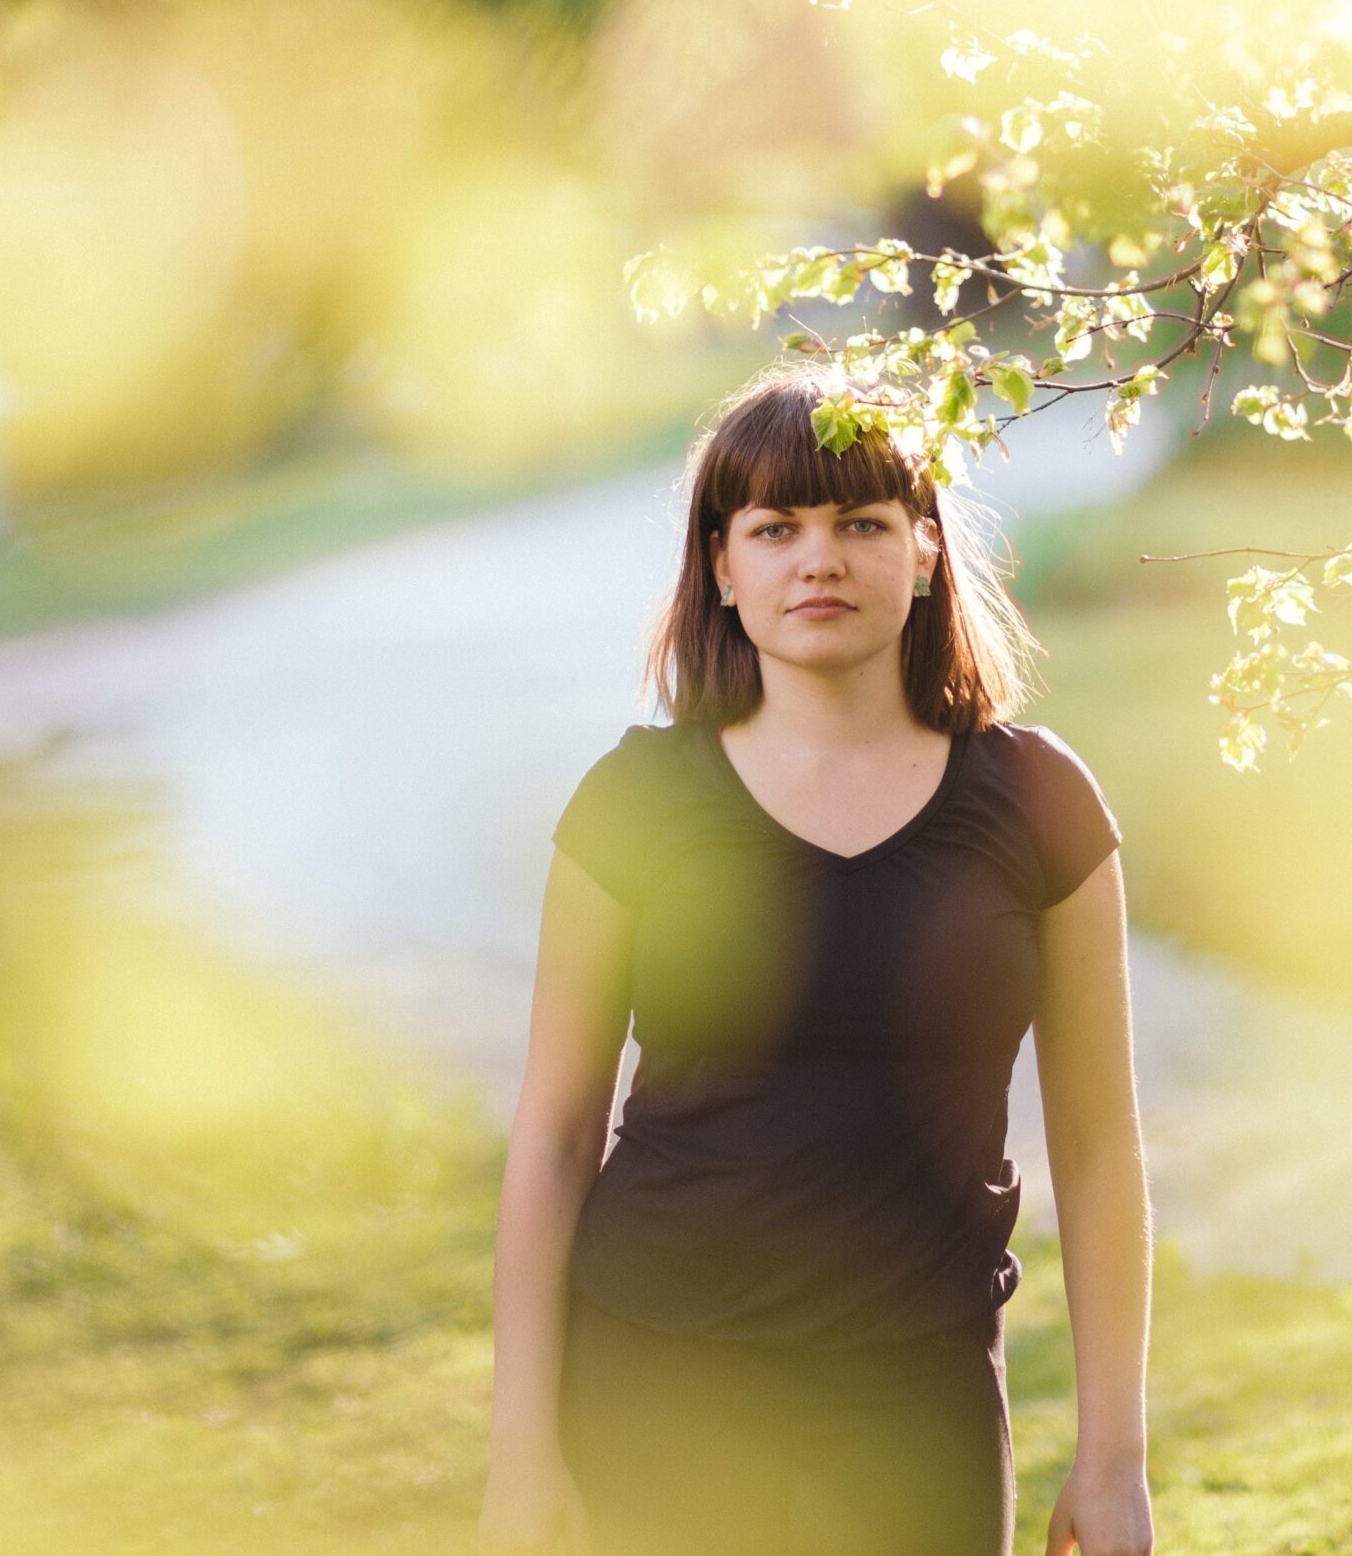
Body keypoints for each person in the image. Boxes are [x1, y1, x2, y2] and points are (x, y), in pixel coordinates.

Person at [479, 359, 1157, 1556]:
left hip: (920, 1395)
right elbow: (553, 1136)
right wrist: (521, 1457)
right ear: (722, 567)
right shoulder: (634, 800)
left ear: (926, 547)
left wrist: (1113, 1460)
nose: (819, 560)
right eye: (775, 528)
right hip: (655, 1380)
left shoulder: (1038, 799)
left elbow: (1099, 1148)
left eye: (861, 522)